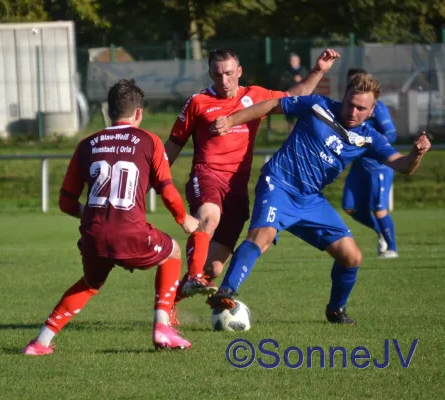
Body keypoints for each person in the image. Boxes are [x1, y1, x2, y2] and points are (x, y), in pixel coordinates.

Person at [207, 72, 431, 325]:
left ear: (372, 111)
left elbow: (403, 166)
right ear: (343, 97)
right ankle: (226, 291)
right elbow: (272, 104)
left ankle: (336, 310)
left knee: (352, 257)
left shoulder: (369, 138)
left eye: (361, 108)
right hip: (279, 184)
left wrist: (416, 153)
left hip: (310, 199)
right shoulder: (317, 105)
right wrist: (230, 120)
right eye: (350, 104)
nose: (353, 111)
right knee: (262, 236)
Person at [22, 79, 200, 356]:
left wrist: (90, 215)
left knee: (90, 283)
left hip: (94, 234)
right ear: (138, 113)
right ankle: (162, 327)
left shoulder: (86, 144)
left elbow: (65, 202)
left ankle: (40, 342)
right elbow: (166, 189)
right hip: (130, 231)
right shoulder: (150, 141)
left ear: (110, 110)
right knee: (173, 252)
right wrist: (183, 218)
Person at [164, 47, 340, 324]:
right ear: (210, 74)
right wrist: (157, 178)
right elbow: (174, 143)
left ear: (239, 72)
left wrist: (318, 70)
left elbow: (295, 96)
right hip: (207, 175)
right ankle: (194, 274)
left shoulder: (255, 96)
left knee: (215, 268)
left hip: (237, 187)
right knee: (209, 216)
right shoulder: (197, 102)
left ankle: (169, 302)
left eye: (229, 74)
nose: (224, 80)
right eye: (218, 74)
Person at [342, 68, 398, 258]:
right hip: (359, 164)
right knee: (349, 207)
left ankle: (392, 248)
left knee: (379, 210)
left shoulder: (378, 108)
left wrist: (369, 142)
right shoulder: (345, 107)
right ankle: (381, 232)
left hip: (377, 167)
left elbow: (391, 134)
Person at [281, 53, 309, 132]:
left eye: (293, 60)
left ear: (298, 61)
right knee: (290, 120)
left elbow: (308, 83)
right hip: (290, 99)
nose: (291, 62)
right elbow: (283, 83)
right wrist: (293, 80)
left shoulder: (303, 71)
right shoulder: (287, 72)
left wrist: (301, 80)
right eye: (290, 60)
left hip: (302, 99)